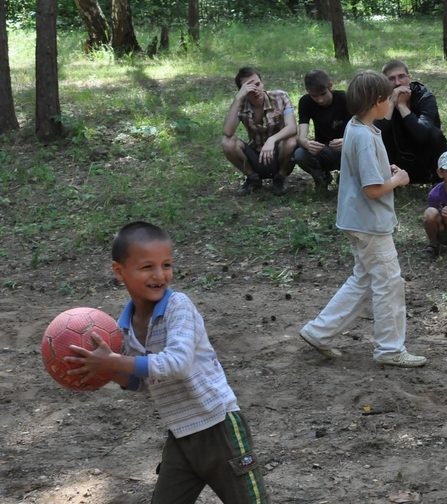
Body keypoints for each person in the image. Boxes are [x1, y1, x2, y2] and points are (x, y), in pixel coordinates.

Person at [64, 222, 269, 504]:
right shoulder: (123, 329)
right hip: (181, 435)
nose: (160, 275)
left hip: (219, 428)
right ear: (119, 271)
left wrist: (115, 361)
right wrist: (106, 369)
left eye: (167, 265)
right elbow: (142, 381)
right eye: (147, 267)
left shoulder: (178, 306)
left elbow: (177, 364)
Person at [299, 70, 427, 368]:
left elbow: (365, 172)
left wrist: (386, 170)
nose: (391, 102)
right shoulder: (364, 136)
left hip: (357, 220)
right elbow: (372, 189)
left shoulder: (357, 127)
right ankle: (390, 349)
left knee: (365, 279)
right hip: (370, 224)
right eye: (388, 99)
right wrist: (399, 180)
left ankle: (319, 332)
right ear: (377, 101)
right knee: (389, 284)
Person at [222, 66, 297, 196]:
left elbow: (292, 127)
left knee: (291, 141)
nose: (256, 90)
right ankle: (253, 178)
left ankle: (280, 177)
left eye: (257, 84)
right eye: (249, 88)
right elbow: (228, 132)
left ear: (262, 83)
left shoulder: (280, 97)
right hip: (256, 154)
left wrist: (272, 140)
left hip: (279, 153)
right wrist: (238, 99)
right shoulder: (241, 104)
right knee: (227, 142)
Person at [375, 59, 447, 184]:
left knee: (434, 134)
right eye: (391, 79)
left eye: (401, 76)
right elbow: (376, 135)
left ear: (409, 78)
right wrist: (391, 103)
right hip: (396, 161)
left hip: (424, 159)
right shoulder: (380, 100)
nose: (397, 83)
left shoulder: (425, 97)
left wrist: (402, 106)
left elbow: (423, 134)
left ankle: (440, 183)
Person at [294, 69, 350, 190]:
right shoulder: (305, 102)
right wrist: (306, 143)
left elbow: (362, 128)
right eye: (314, 96)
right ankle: (322, 177)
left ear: (330, 86)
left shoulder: (345, 98)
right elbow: (301, 136)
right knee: (299, 154)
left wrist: (347, 140)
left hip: (348, 149)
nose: (320, 100)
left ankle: (349, 176)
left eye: (323, 94)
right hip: (323, 149)